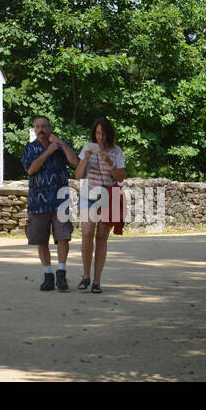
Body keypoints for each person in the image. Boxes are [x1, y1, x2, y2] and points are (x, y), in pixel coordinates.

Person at [22, 116, 79, 292]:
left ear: (50, 128)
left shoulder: (61, 147)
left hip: (60, 200)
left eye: (44, 126)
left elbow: (75, 162)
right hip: (38, 202)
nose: (41, 130)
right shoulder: (30, 149)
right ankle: (48, 275)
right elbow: (31, 169)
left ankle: (61, 273)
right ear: (34, 129)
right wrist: (48, 152)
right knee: (41, 240)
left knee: (63, 237)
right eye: (38, 127)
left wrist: (60, 143)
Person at [74, 116, 126, 294]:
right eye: (97, 133)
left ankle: (97, 281)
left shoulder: (117, 151)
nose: (100, 138)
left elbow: (120, 177)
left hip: (108, 195)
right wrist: (85, 159)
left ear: (109, 134)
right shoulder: (88, 148)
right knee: (87, 233)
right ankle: (85, 276)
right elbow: (78, 176)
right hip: (89, 194)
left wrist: (109, 163)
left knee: (102, 238)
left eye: (103, 134)